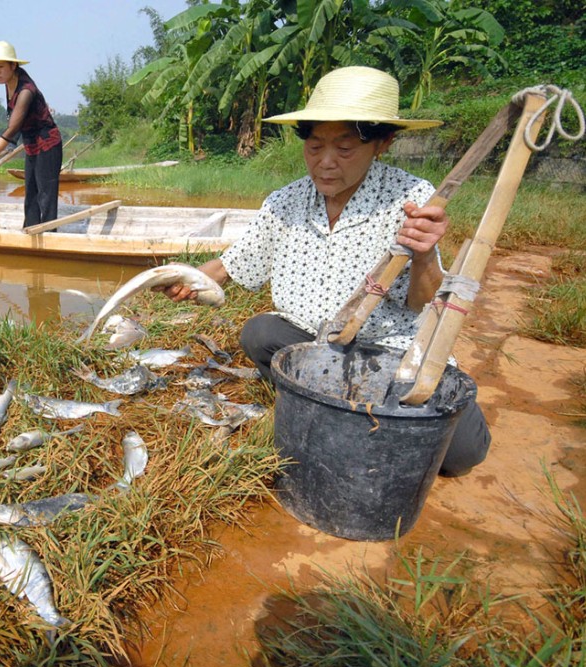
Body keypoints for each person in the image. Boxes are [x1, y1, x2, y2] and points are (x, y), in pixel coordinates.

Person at [162, 66, 490, 477]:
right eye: (315, 147)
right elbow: (233, 264)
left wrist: (423, 254)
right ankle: (332, 402)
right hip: (316, 344)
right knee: (261, 333)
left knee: (462, 455)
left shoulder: (412, 198)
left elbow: (424, 300)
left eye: (345, 149)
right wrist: (191, 278)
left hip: (389, 350)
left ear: (382, 143)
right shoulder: (286, 201)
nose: (326, 163)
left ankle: (337, 406)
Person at [0, 41, 63, 228]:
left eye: (0, 67)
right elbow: (16, 125)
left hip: (48, 145)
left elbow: (13, 128)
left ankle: (49, 236)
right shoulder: (9, 84)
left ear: (13, 65)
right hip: (31, 144)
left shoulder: (26, 91)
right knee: (30, 193)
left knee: (46, 196)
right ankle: (30, 232)